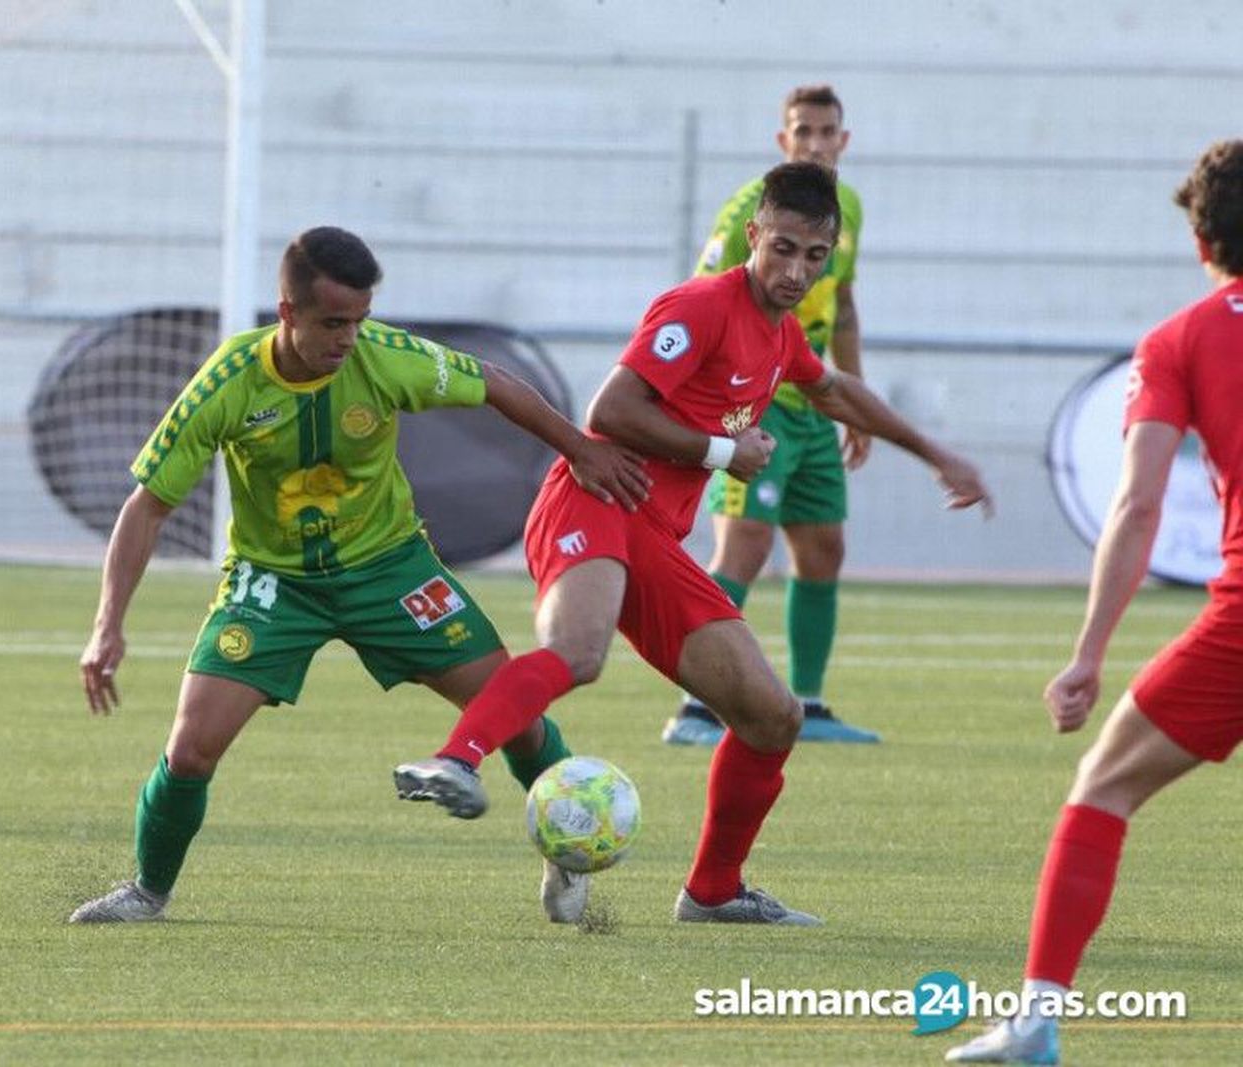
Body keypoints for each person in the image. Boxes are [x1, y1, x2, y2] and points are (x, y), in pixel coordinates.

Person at [394, 162, 991, 925]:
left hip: (655, 536)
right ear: (753, 237)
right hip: (598, 495)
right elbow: (612, 408)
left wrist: (937, 454)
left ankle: (712, 892)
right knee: (580, 652)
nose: (796, 271)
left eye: (814, 257)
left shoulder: (779, 337)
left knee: (774, 715)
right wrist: (720, 451)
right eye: (783, 248)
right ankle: (455, 760)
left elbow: (836, 389)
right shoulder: (701, 306)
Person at [68, 226, 649, 924]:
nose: (349, 338)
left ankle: (565, 850)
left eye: (360, 320)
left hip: (391, 569)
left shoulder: (385, 358)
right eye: (333, 323)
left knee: (515, 714)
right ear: (287, 313)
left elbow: (495, 383)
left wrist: (579, 449)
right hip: (275, 582)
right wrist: (107, 626)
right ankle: (147, 890)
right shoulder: (228, 381)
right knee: (191, 747)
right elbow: (148, 507)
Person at [947, 141, 1243, 1064]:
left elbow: (1140, 503)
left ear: (1202, 242)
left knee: (1102, 788)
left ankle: (1035, 1023)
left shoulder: (1178, 340)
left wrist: (1088, 651)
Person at [663, 84, 876, 747]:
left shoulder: (849, 209)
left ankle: (808, 704)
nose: (816, 142)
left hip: (813, 398)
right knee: (745, 545)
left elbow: (841, 307)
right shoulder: (745, 215)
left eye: (827, 131)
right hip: (754, 404)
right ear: (783, 142)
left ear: (844, 141)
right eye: (803, 131)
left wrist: (856, 403)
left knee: (823, 548)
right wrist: (715, 408)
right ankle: (694, 709)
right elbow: (699, 300)